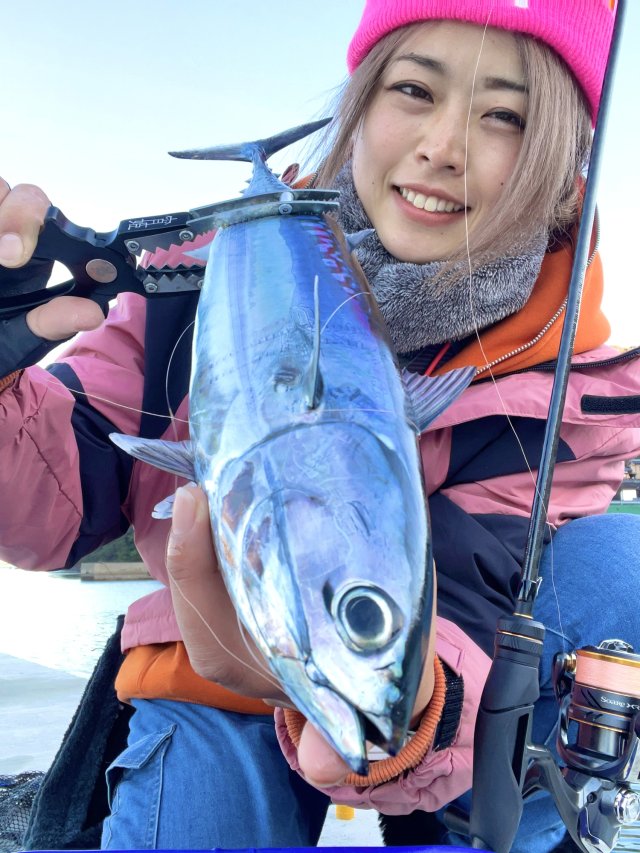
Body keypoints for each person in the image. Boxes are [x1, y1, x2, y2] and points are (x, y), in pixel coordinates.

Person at [1, 0, 639, 850]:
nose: (443, 146)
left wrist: (407, 717)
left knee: (616, 566)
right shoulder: (188, 295)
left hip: (457, 712)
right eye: (415, 89)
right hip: (207, 680)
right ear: (359, 110)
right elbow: (51, 508)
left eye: (505, 116)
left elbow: (471, 595)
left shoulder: (572, 394)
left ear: (567, 175)